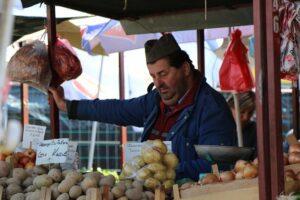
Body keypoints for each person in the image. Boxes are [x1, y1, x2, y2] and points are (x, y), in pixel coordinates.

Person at [48, 34, 237, 181]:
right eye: (153, 76)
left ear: (185, 69)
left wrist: (163, 170)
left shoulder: (211, 108)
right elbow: (116, 109)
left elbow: (218, 166)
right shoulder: (154, 101)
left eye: (163, 74)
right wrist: (68, 106)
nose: (158, 83)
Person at [227, 91, 257, 158]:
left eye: (250, 112)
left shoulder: (255, 130)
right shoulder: (219, 129)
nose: (246, 117)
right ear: (230, 108)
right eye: (242, 112)